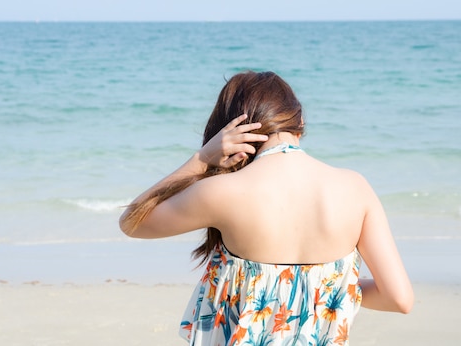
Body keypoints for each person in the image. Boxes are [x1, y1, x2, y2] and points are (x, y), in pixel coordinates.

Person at [120, 71, 413, 346]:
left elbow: (132, 222)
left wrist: (202, 158)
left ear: (229, 128)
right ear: (299, 122)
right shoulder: (355, 187)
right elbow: (399, 299)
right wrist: (329, 285)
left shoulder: (223, 192)